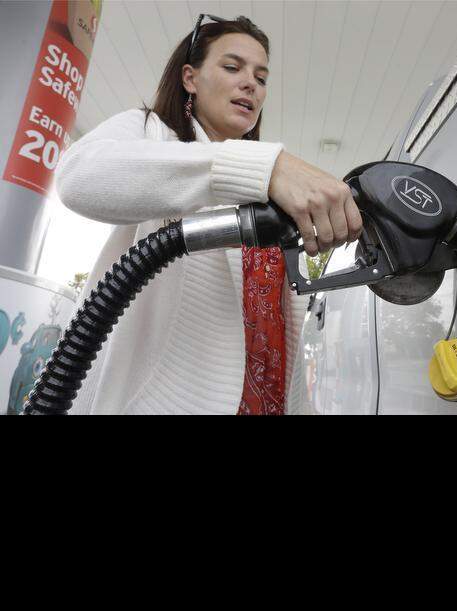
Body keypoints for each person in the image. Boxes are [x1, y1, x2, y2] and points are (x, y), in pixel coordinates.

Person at [54, 15, 362, 414]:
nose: (251, 84)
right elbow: (78, 177)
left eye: (261, 77)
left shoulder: (268, 190)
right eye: (232, 67)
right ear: (190, 78)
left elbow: (277, 330)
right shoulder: (151, 132)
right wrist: (261, 167)